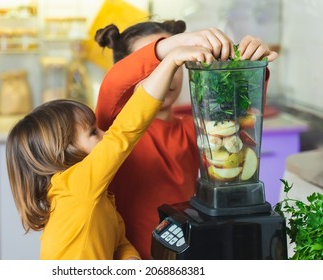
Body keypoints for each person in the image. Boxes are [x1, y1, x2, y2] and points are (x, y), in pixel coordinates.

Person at [5, 40, 219, 259]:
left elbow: (119, 241)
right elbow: (123, 133)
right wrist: (171, 61)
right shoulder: (76, 186)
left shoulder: (99, 196)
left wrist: (130, 259)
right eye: (93, 133)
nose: (105, 134)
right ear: (63, 151)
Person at [94, 21, 278, 259]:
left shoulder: (197, 128)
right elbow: (114, 82)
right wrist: (177, 45)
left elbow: (241, 117)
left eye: (176, 63)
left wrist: (252, 64)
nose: (168, 75)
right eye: (157, 65)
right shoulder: (114, 127)